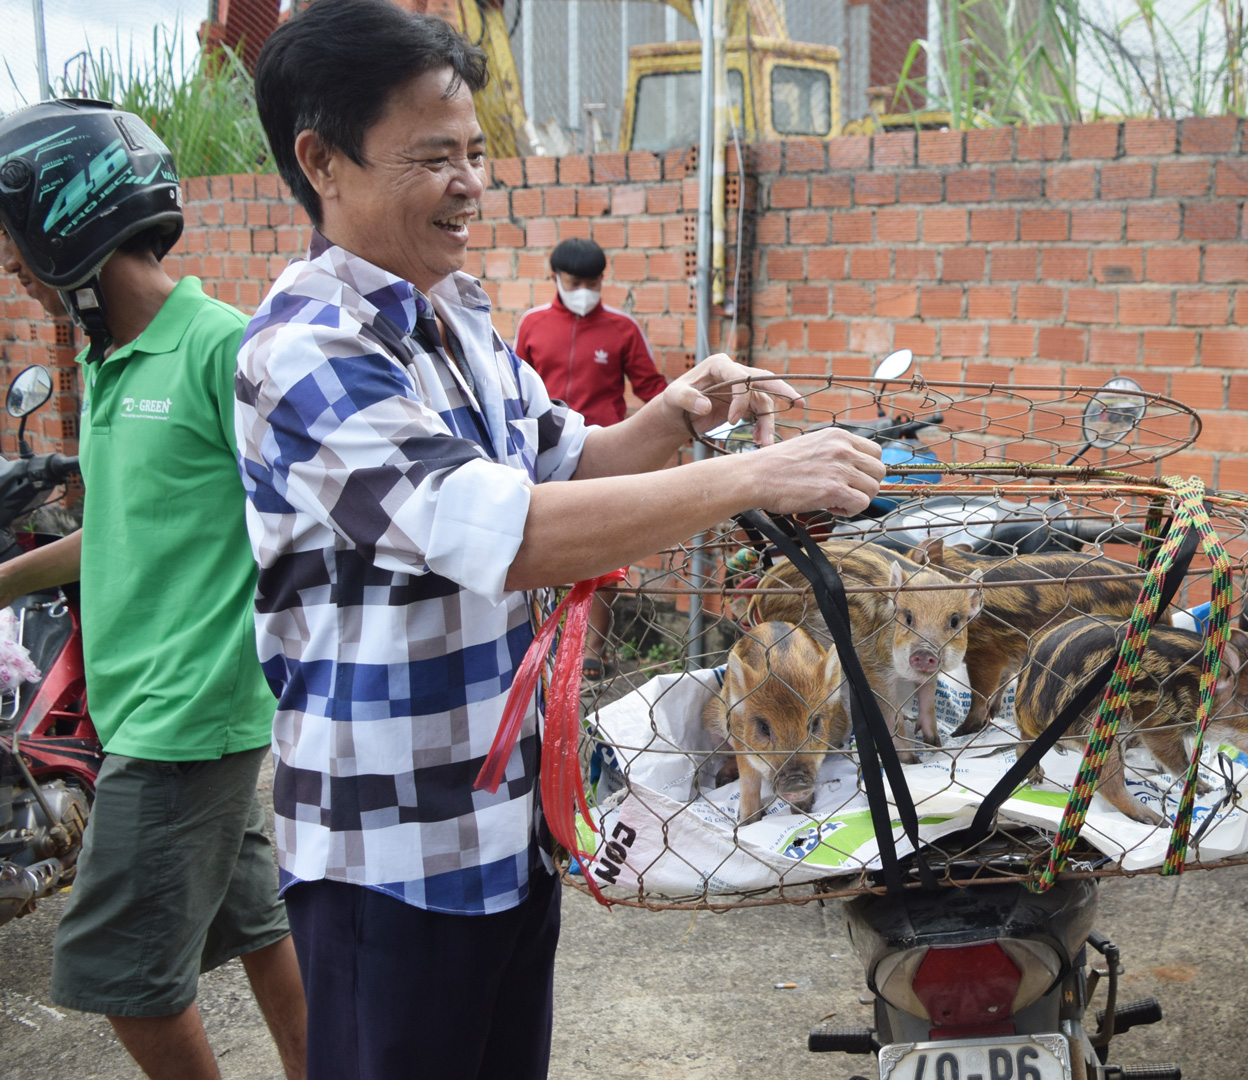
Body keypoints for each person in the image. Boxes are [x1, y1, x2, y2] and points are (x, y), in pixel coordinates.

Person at [242, 3, 881, 1078]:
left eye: (477, 153)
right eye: (433, 156)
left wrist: (679, 415)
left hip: (505, 832)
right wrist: (750, 475)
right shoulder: (305, 351)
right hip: (389, 855)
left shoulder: (459, 318)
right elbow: (501, 532)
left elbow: (570, 460)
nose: (471, 182)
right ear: (323, 161)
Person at [0, 101, 307, 1080]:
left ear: (65, 222)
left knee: (111, 968)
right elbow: (118, 530)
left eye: (13, 244)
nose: (11, 268)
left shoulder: (220, 347)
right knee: (259, 926)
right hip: (157, 711)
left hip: (186, 717)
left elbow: (315, 504)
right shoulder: (106, 362)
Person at [514, 236, 667, 679]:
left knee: (602, 554)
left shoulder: (621, 329)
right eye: (575, 281)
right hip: (543, 459)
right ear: (556, 279)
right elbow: (514, 392)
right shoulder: (533, 324)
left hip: (601, 458)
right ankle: (541, 643)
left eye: (594, 282)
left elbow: (651, 388)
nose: (585, 290)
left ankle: (592, 650)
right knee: (537, 549)